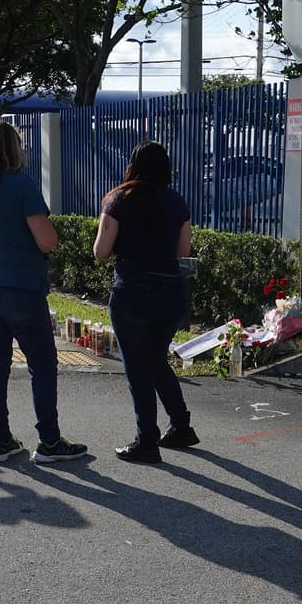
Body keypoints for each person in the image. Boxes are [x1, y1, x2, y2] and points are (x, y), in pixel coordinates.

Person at [0, 119, 85, 464]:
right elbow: (47, 240)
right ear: (14, 149)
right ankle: (50, 442)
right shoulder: (22, 185)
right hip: (20, 287)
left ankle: (0, 441)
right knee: (41, 363)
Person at [93, 141, 200, 463]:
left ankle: (146, 441)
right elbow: (183, 253)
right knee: (155, 360)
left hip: (132, 292)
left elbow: (100, 252)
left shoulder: (117, 199)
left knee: (138, 368)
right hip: (171, 293)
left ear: (133, 165)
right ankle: (181, 426)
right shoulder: (177, 202)